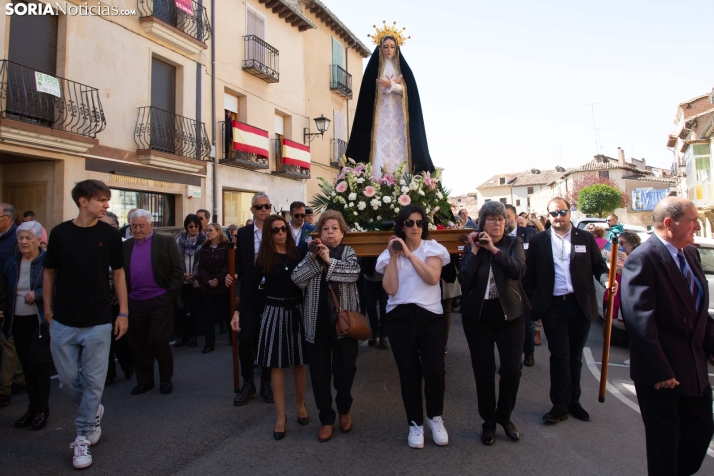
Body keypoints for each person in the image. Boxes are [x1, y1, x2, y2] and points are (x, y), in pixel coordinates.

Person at [621, 197, 714, 476]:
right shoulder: (643, 258)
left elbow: (698, 312)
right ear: (669, 224)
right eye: (692, 220)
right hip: (663, 374)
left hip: (693, 369)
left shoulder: (690, 254)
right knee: (665, 447)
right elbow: (640, 320)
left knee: (700, 433)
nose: (697, 226)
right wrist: (660, 370)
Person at [43, 180, 127, 469]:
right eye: (101, 200)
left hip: (98, 321)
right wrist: (47, 309)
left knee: (94, 381)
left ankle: (82, 436)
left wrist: (124, 313)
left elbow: (118, 274)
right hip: (63, 320)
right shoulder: (59, 233)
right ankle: (93, 412)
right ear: (83, 201)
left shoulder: (110, 234)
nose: (106, 205)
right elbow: (49, 272)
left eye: (107, 200)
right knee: (67, 381)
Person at [522, 197, 614, 424]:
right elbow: (529, 276)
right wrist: (533, 303)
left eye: (562, 212)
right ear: (548, 215)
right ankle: (559, 405)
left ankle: (574, 401)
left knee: (574, 357)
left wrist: (606, 280)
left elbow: (598, 267)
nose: (558, 217)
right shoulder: (539, 241)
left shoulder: (586, 238)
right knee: (559, 356)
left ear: (569, 213)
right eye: (554, 214)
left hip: (580, 305)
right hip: (553, 306)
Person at [376, 205, 451, 449]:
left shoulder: (433, 248)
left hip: (430, 316)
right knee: (409, 373)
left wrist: (409, 254)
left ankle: (435, 417)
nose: (415, 227)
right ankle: (415, 423)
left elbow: (432, 278)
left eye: (419, 223)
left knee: (434, 370)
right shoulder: (390, 253)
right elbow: (390, 289)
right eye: (409, 223)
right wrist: (394, 256)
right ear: (402, 226)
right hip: (399, 317)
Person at [233, 215, 308, 440]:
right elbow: (249, 287)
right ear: (269, 234)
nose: (280, 233)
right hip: (273, 313)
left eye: (283, 229)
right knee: (276, 366)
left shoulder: (298, 254)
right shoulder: (263, 258)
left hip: (296, 311)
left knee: (299, 363)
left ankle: (301, 405)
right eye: (275, 230)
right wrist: (238, 311)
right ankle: (281, 416)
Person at [458, 202, 527, 445]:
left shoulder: (512, 244)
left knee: (511, 371)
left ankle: (504, 417)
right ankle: (488, 422)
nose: (497, 223)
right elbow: (464, 280)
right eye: (491, 219)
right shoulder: (473, 246)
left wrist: (495, 251)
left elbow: (518, 270)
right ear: (482, 222)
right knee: (483, 373)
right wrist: (475, 251)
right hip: (479, 319)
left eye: (500, 219)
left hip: (510, 316)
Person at [291, 210, 361, 443]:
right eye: (325, 229)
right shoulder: (310, 254)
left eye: (334, 229)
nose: (330, 233)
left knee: (345, 372)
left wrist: (329, 260)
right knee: (319, 375)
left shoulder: (348, 252)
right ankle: (326, 418)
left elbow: (353, 274)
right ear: (319, 232)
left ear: (342, 233)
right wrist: (314, 258)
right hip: (316, 324)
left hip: (345, 324)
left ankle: (344, 409)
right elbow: (296, 279)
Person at [346, 26, 434, 175]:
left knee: (400, 147)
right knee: (379, 146)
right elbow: (367, 96)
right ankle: (377, 178)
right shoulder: (373, 71)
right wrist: (386, 86)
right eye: (385, 47)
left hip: (399, 119)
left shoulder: (403, 70)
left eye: (392, 47)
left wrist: (393, 86)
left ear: (396, 48)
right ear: (381, 48)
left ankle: (403, 180)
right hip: (380, 119)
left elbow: (411, 93)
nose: (389, 50)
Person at [123, 209, 183, 396]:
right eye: (134, 226)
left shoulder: (165, 241)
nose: (138, 229)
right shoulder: (126, 246)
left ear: (151, 225)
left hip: (160, 300)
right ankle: (145, 381)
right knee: (139, 343)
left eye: (142, 225)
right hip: (135, 301)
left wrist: (168, 297)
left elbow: (177, 271)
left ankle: (166, 379)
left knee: (159, 340)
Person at [3, 221, 51, 430]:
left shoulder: (47, 262)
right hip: (18, 320)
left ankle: (42, 410)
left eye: (28, 238)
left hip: (39, 321)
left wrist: (38, 294)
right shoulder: (11, 263)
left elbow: (58, 287)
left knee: (36, 364)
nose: (23, 241)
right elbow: (5, 289)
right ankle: (32, 408)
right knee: (27, 367)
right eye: (20, 238)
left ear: (38, 240)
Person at [228, 192, 274, 406]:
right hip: (250, 292)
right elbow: (238, 262)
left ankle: (266, 381)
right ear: (252, 210)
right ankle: (248, 382)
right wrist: (233, 274)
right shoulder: (245, 233)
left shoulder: (278, 229)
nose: (263, 210)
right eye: (259, 207)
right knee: (246, 338)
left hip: (273, 291)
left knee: (267, 339)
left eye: (266, 206)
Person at [100, 212, 134, 384]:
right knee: (103, 340)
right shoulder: (94, 244)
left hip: (118, 300)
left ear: (115, 227)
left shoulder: (125, 245)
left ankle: (128, 365)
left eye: (106, 225)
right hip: (100, 301)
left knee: (120, 337)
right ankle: (108, 373)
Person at [505, 204, 537, 368]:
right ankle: (512, 361)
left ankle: (529, 352)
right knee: (509, 326)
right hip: (507, 287)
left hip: (527, 286)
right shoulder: (499, 236)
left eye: (508, 216)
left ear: (516, 217)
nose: (505, 220)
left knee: (528, 323)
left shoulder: (530, 234)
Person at [174, 214, 206, 349]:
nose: (193, 229)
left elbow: (204, 261)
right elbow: (175, 259)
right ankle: (183, 335)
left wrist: (195, 275)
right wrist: (183, 275)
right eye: (190, 226)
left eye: (196, 226)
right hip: (183, 279)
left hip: (197, 280)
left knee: (195, 310)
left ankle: (193, 335)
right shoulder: (179, 240)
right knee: (181, 309)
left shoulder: (204, 240)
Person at [197, 222, 230, 354]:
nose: (208, 233)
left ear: (218, 231)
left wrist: (218, 279)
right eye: (207, 231)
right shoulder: (204, 247)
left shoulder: (226, 247)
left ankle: (233, 338)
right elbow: (201, 267)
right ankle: (209, 343)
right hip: (208, 286)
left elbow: (229, 265)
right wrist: (207, 280)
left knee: (227, 313)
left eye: (210, 230)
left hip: (222, 285)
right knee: (208, 316)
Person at [604, 231, 640, 325]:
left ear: (632, 245)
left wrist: (625, 264)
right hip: (617, 295)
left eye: (622, 243)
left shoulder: (639, 256)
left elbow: (637, 274)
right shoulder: (618, 255)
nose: (619, 245)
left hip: (629, 297)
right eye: (618, 242)